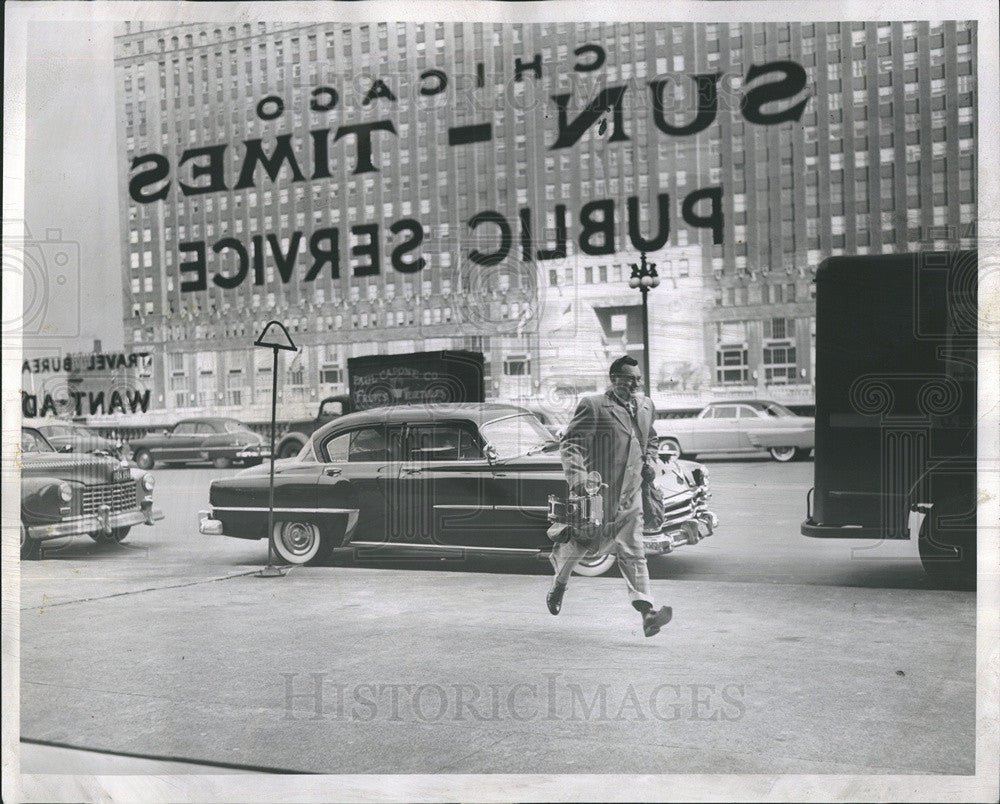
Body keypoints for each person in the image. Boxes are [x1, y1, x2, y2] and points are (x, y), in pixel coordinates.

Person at [546, 355, 673, 637]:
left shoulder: (645, 405)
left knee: (633, 550)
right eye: (629, 380)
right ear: (614, 379)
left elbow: (650, 438)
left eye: (638, 380)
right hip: (598, 494)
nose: (635, 385)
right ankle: (559, 586)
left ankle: (647, 612)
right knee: (582, 545)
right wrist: (579, 482)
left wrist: (649, 461)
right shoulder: (593, 406)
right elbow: (570, 445)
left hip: (631, 492)